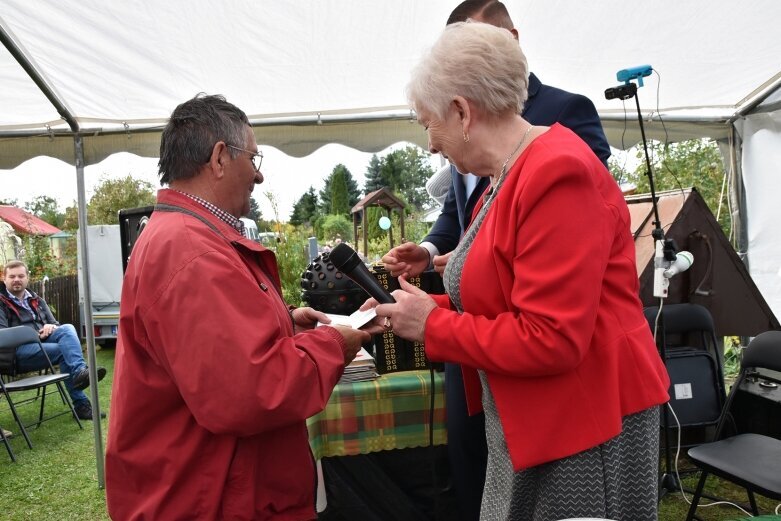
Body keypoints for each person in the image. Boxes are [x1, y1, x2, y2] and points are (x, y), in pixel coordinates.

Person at [369, 21, 669, 520]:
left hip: (587, 421)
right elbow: (507, 299)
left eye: (428, 124)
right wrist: (407, 311)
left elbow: (551, 336)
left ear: (462, 111)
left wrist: (433, 325)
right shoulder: (506, 175)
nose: (431, 145)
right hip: (543, 415)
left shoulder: (556, 170)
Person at [105, 94, 378, 520]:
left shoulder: (183, 237)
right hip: (212, 498)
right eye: (253, 158)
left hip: (208, 487)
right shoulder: (192, 251)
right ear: (218, 158)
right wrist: (333, 344)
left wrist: (286, 324)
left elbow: (207, 351)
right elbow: (252, 392)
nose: (259, 174)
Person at [0, 260, 106, 421]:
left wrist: (50, 326)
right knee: (64, 351)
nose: (17, 279)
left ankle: (79, 372)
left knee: (67, 328)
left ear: (27, 278)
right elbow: (3, 335)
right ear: (4, 278)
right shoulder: (1, 302)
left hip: (41, 346)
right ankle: (81, 404)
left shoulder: (36, 299)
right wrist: (35, 334)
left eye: (21, 276)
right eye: (12, 276)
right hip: (15, 353)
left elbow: (56, 324)